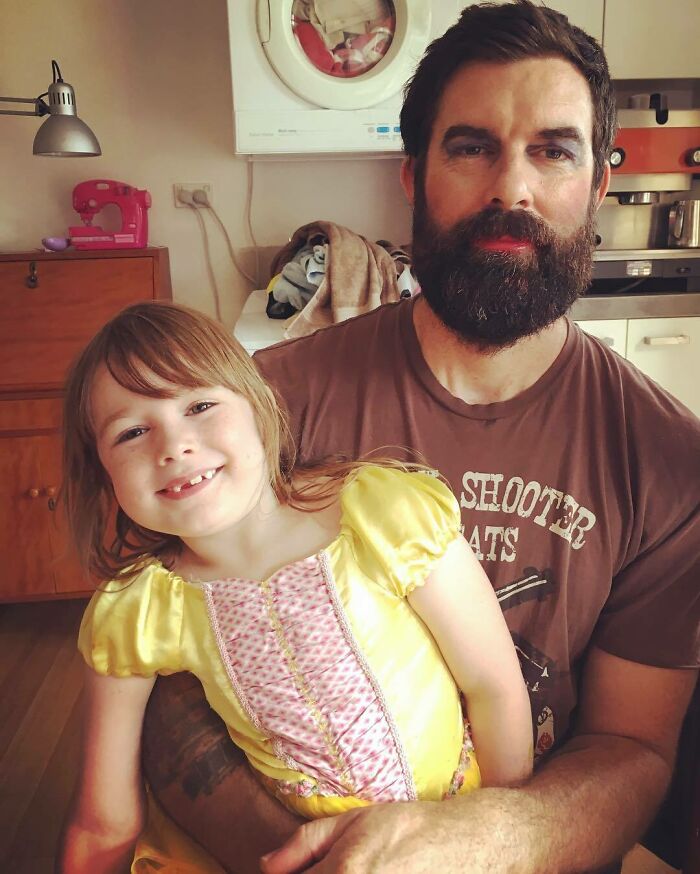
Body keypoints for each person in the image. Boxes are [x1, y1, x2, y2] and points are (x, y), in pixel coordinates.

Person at [136, 2, 700, 873]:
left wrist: (495, 839)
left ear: (595, 186)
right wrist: (316, 862)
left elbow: (638, 745)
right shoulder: (274, 412)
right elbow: (164, 699)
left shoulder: (667, 464)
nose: (512, 188)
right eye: (472, 146)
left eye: (552, 149)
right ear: (412, 177)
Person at [56, 301, 533, 873]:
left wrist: (501, 842)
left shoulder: (383, 515)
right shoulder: (136, 613)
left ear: (258, 409)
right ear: (102, 474)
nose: (173, 446)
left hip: (461, 836)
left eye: (200, 405)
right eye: (132, 432)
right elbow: (104, 819)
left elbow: (495, 688)